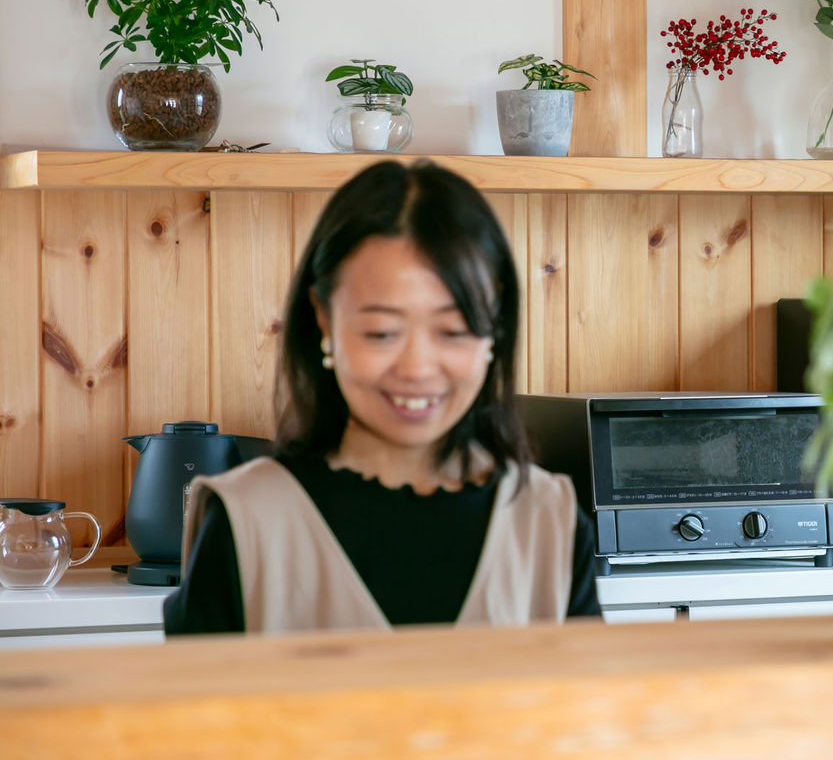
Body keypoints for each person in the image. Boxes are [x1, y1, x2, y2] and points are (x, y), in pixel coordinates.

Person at [164, 160, 600, 634]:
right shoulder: (246, 520)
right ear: (324, 320)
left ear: (494, 328)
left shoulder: (548, 520)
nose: (417, 369)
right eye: (381, 332)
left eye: (454, 330)